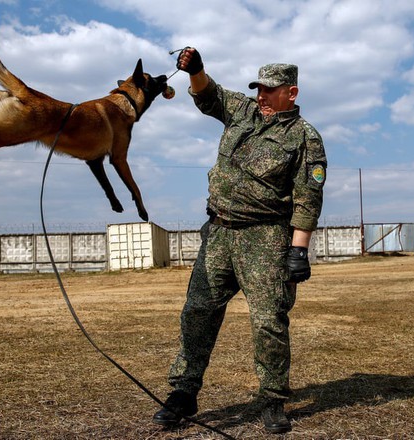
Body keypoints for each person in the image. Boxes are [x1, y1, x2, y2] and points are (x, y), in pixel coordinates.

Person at [152, 47, 327, 434]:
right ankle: (183, 391)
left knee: (268, 321)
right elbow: (208, 94)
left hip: (265, 238)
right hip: (218, 233)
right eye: (259, 87)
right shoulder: (243, 110)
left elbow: (307, 198)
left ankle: (273, 400)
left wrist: (299, 250)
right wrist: (196, 70)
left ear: (291, 93)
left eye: (269, 89)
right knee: (198, 311)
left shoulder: (304, 138)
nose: (261, 95)